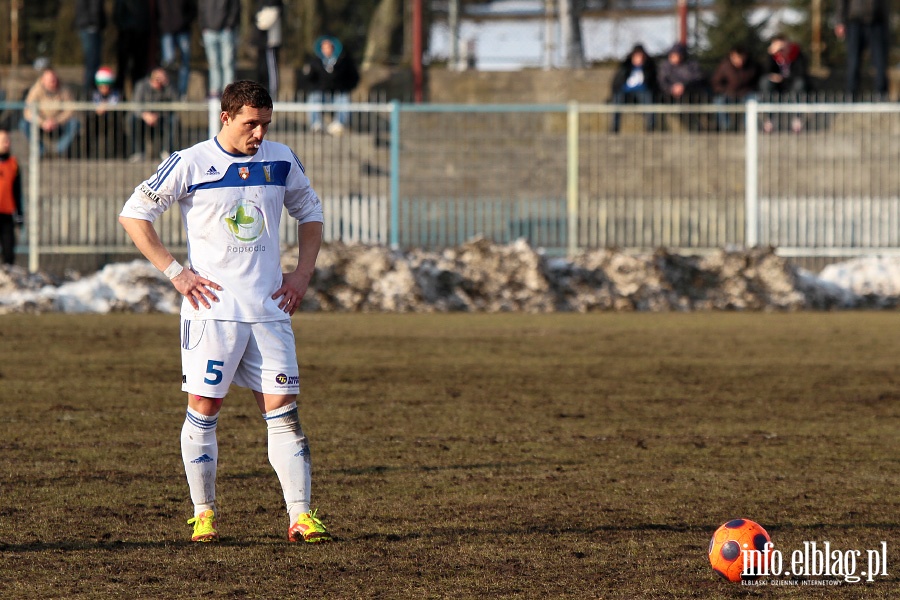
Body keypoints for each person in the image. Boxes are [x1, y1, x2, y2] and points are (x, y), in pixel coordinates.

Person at [118, 79, 330, 544]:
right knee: (204, 409)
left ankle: (300, 517)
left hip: (270, 310)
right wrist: (176, 272)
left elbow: (310, 213)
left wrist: (301, 275)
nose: (259, 133)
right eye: (251, 123)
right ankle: (204, 513)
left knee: (284, 413)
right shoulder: (190, 162)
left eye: (265, 124)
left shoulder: (281, 158)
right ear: (226, 117)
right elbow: (135, 215)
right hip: (212, 312)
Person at [304, 35, 360, 135]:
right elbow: (309, 79)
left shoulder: (344, 61)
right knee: (313, 98)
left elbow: (353, 76)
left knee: (344, 99)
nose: (326, 50)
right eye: (324, 47)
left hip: (338, 93)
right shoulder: (315, 62)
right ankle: (316, 125)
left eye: (328, 47)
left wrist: (346, 87)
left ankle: (339, 124)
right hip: (321, 93)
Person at [19, 68, 81, 157]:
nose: (53, 81)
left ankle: (58, 151)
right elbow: (28, 111)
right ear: (42, 80)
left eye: (54, 79)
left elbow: (70, 109)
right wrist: (42, 122)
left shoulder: (64, 90)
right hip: (41, 124)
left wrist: (56, 121)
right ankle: (41, 151)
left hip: (59, 124)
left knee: (75, 123)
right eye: (50, 79)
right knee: (23, 124)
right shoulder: (36, 90)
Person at [834, 0, 890, 99]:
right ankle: (851, 95)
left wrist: (886, 20)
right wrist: (840, 21)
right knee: (853, 62)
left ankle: (882, 96)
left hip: (877, 20)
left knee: (880, 62)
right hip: (855, 20)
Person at [759, 35, 809, 133]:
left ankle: (797, 118)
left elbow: (801, 73)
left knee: (800, 84)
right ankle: (769, 119)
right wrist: (770, 54)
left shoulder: (798, 55)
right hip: (776, 86)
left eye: (782, 47)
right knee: (765, 82)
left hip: (792, 84)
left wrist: (783, 78)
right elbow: (765, 71)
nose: (781, 50)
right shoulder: (773, 57)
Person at [128, 67, 178, 162]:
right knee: (131, 119)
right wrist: (145, 115)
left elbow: (175, 102)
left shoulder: (167, 87)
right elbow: (135, 104)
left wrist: (167, 84)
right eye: (157, 78)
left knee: (173, 120)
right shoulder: (142, 85)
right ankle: (138, 152)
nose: (159, 81)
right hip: (143, 118)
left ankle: (166, 151)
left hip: (161, 117)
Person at [656, 42, 708, 131]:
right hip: (669, 95)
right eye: (673, 55)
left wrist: (684, 86)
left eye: (677, 55)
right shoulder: (665, 66)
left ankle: (698, 128)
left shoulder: (691, 65)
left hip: (690, 94)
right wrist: (671, 89)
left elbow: (698, 78)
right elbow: (661, 81)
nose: (675, 58)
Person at [609, 44, 658, 134]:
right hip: (625, 92)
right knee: (617, 100)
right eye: (636, 56)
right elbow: (617, 82)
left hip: (643, 91)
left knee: (649, 100)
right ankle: (614, 128)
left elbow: (653, 83)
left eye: (640, 56)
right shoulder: (625, 67)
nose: (638, 59)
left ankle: (651, 127)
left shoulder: (649, 68)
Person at [710, 45, 761, 131]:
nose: (740, 61)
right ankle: (726, 127)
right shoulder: (724, 66)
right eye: (737, 58)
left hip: (746, 94)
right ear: (732, 57)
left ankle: (748, 127)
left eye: (742, 58)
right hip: (729, 94)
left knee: (754, 100)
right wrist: (725, 91)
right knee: (719, 101)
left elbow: (757, 81)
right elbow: (716, 82)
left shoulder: (753, 66)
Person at [199, 0, 241, 98]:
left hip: (225, 31)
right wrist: (203, 26)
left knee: (227, 63)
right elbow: (201, 10)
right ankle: (215, 91)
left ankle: (229, 91)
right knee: (213, 63)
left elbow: (235, 8)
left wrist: (229, 25)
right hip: (209, 31)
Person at [157, 0, 197, 99]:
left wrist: (184, 21)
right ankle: (168, 93)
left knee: (184, 63)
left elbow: (193, 9)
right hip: (166, 30)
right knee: (168, 63)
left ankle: (182, 93)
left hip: (183, 30)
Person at [114, 0, 152, 96]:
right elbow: (117, 15)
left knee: (138, 71)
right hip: (126, 36)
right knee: (123, 71)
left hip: (140, 36)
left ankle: (138, 97)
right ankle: (120, 99)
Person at [88, 66, 126, 158]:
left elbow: (122, 111)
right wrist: (96, 112)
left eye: (107, 85)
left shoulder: (119, 95)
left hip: (113, 123)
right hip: (95, 122)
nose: (105, 88)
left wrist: (109, 109)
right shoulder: (91, 95)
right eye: (102, 85)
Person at [0, 130, 23, 266]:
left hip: (7, 214)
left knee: (9, 253)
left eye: (8, 141)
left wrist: (20, 215)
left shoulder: (13, 164)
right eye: (3, 141)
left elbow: (17, 191)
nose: (7, 144)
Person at [76, 0, 107, 98]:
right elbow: (95, 9)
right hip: (89, 27)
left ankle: (92, 94)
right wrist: (96, 22)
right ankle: (88, 95)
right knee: (92, 64)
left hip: (93, 27)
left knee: (95, 64)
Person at [254, 0, 283, 98]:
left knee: (271, 70)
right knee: (262, 70)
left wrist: (258, 19)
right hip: (261, 42)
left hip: (270, 42)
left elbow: (265, 21)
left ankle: (272, 95)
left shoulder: (273, 3)